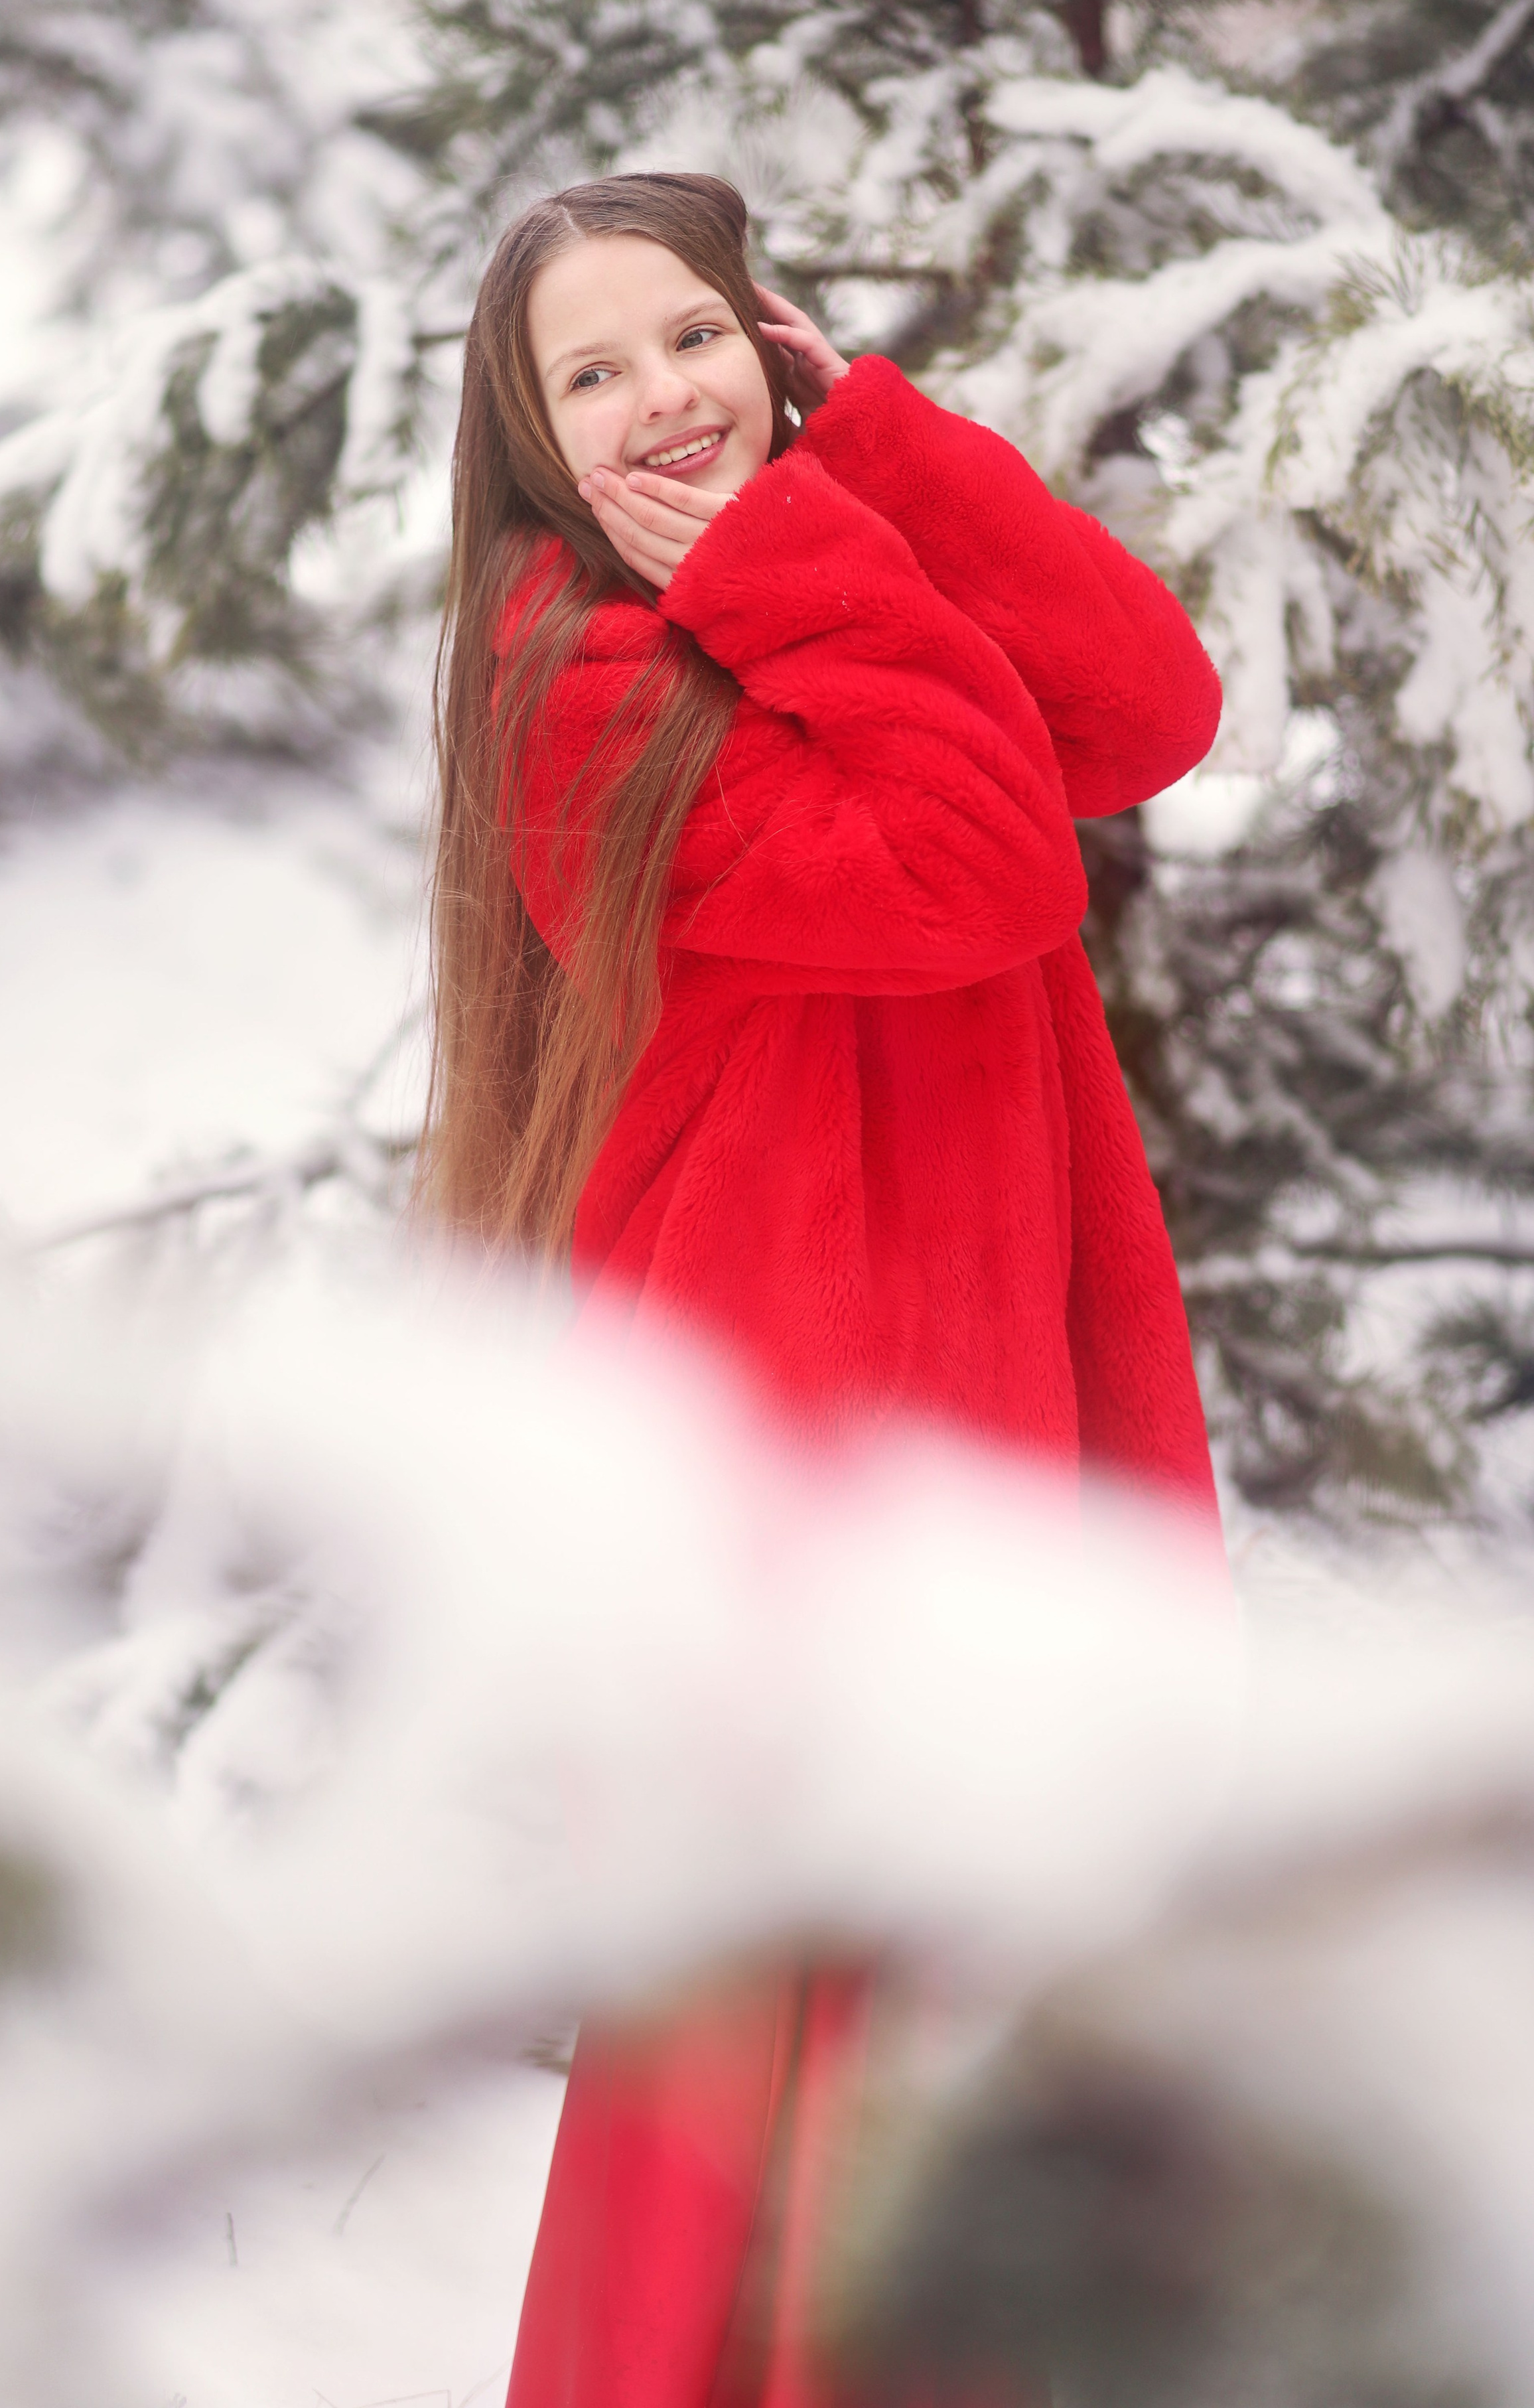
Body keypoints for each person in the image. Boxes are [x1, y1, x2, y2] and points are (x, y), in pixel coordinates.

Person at [419, 171, 1224, 2408]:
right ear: (533, 449)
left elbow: (1149, 710)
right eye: (593, 375)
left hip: (985, 1374)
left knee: (958, 1995)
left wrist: (862, 442)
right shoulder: (568, 688)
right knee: (770, 2038)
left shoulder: (841, 550)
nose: (661, 399)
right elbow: (973, 868)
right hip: (776, 1425)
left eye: (692, 334)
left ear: (765, 330)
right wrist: (792, 549)